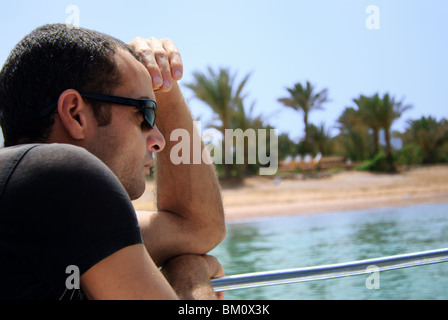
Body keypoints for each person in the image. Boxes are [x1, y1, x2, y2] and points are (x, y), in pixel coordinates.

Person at [0, 24, 226, 300]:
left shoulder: (35, 200)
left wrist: (165, 87)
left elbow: (196, 226)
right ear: (75, 114)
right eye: (144, 113)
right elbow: (195, 232)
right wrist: (191, 278)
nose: (160, 139)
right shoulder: (67, 173)